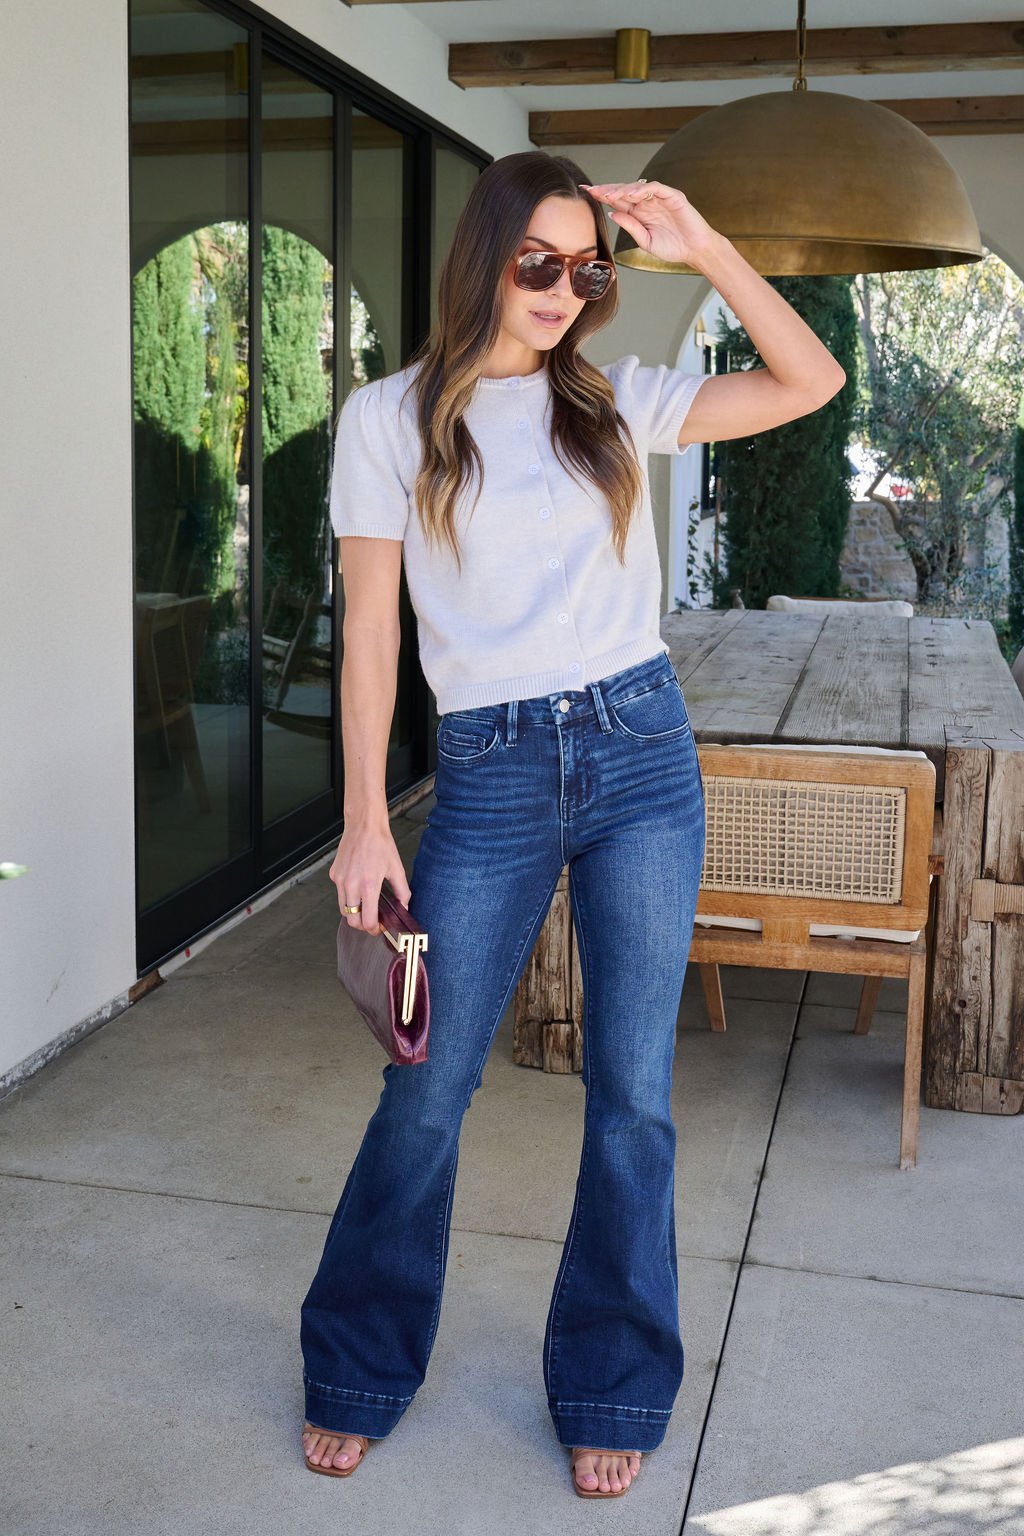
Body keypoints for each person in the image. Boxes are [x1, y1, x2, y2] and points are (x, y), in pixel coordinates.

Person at [299, 149, 845, 1500]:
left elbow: (809, 381)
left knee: (635, 1103)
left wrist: (703, 246)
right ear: (484, 257)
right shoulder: (389, 421)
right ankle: (360, 1364)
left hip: (642, 756)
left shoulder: (612, 403)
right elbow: (373, 635)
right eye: (536, 260)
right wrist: (366, 820)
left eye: (583, 267)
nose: (559, 289)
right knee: (426, 1086)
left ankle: (611, 1380)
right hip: (484, 774)